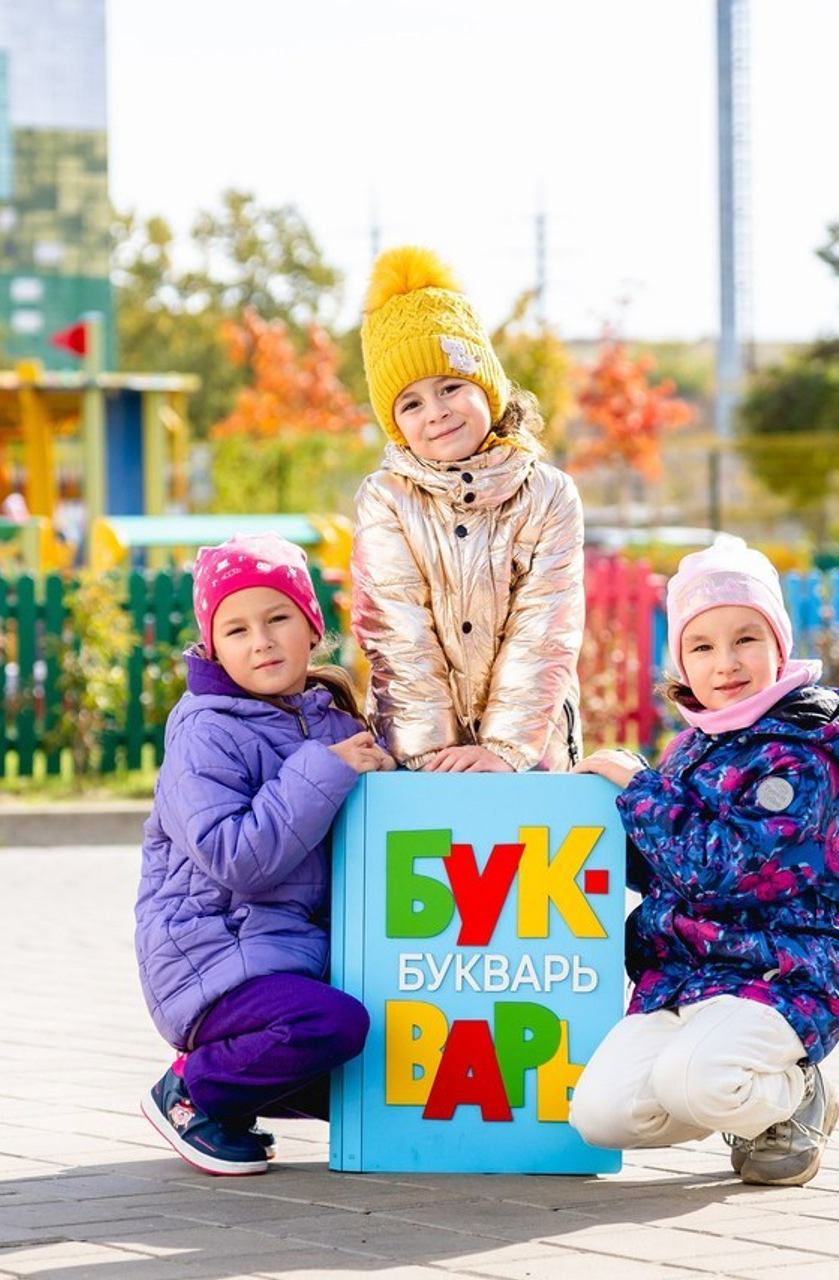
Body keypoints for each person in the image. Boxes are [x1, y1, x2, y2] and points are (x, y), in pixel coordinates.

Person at [568, 541, 839, 1186]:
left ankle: (792, 1098)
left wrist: (642, 790)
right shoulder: (697, 744)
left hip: (780, 968)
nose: (727, 663)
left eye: (746, 638)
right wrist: (588, 822)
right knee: (602, 1115)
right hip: (683, 975)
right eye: (703, 646)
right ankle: (729, 1091)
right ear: (681, 659)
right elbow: (670, 868)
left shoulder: (799, 754)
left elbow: (726, 871)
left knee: (698, 1082)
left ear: (779, 644)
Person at [135, 531, 395, 1176]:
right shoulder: (206, 731)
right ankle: (193, 1087)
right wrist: (325, 771)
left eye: (279, 617)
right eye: (238, 628)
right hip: (217, 957)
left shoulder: (334, 723)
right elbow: (236, 860)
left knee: (391, 1079)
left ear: (312, 627)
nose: (262, 641)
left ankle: (235, 1098)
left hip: (293, 955)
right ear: (214, 646)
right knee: (329, 1026)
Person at [352, 245, 585, 774]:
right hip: (420, 758)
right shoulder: (386, 497)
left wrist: (504, 749)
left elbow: (545, 627)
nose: (435, 413)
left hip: (530, 754)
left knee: (527, 858)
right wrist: (427, 757)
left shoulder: (548, 494)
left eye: (451, 387)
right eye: (411, 403)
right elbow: (396, 630)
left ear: (486, 386)